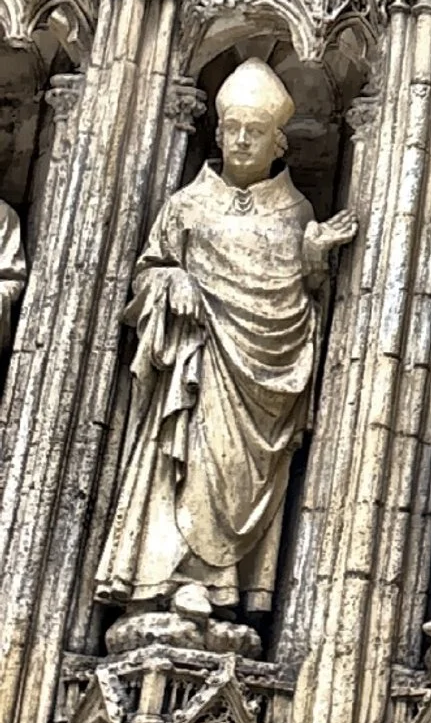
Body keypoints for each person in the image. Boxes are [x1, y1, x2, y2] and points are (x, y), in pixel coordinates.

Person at [99, 61, 356, 622]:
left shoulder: (296, 213)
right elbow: (146, 276)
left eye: (255, 131)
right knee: (189, 458)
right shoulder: (186, 205)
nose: (242, 139)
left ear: (278, 141)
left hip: (264, 374)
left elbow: (303, 297)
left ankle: (224, 586)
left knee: (242, 473)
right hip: (200, 360)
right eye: (234, 128)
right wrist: (174, 279)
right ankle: (174, 573)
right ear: (217, 133)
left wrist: (313, 258)